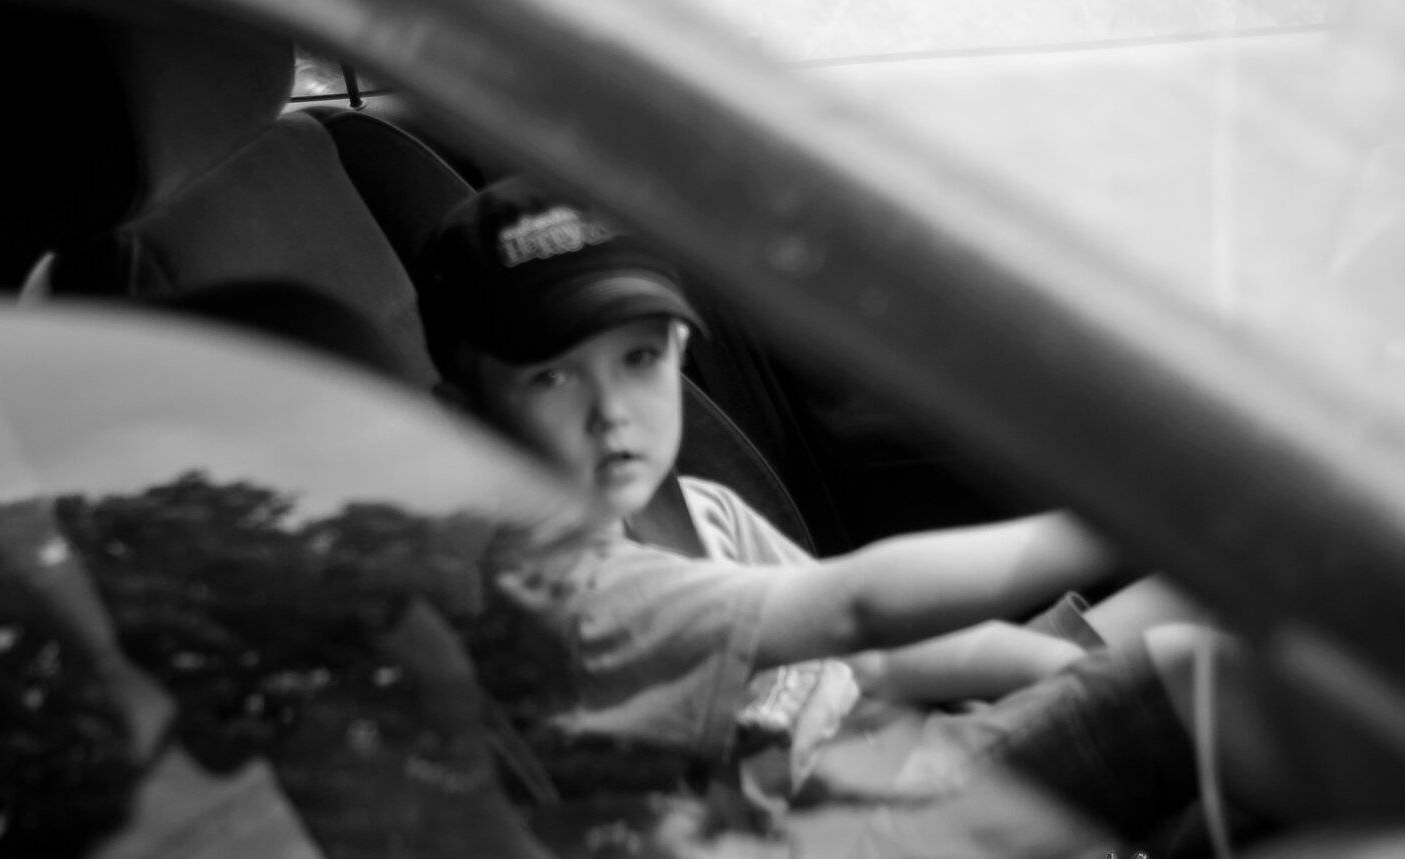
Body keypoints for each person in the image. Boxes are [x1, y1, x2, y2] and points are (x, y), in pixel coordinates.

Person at [415, 177, 1216, 849]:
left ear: (680, 353)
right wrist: (1117, 518)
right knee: (1204, 673)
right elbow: (857, 605)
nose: (612, 412)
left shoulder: (692, 510)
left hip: (891, 755)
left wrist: (1061, 673)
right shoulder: (543, 593)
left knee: (1205, 609)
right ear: (462, 412)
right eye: (552, 378)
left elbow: (877, 653)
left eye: (640, 358)